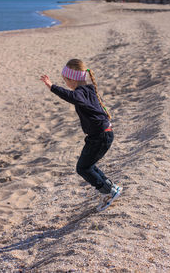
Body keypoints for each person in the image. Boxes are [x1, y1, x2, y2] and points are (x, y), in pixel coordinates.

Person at [40, 59, 122, 211]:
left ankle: (107, 192)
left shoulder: (80, 93)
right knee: (88, 165)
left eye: (66, 81)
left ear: (73, 79)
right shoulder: (89, 89)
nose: (66, 84)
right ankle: (111, 188)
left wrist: (52, 87)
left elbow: (72, 97)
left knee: (83, 168)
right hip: (101, 134)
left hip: (100, 136)